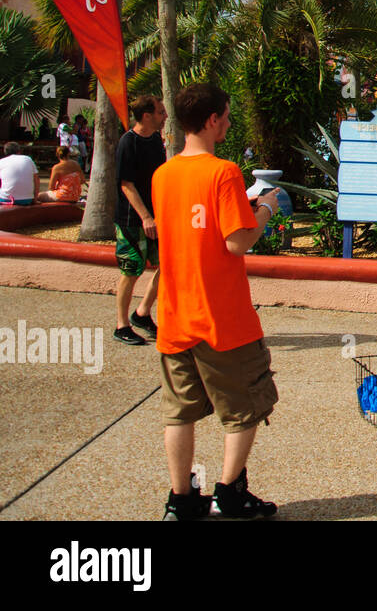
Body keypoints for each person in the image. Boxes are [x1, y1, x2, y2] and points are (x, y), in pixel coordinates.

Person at [152, 82, 282, 519]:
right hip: (222, 318)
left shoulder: (162, 175)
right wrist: (266, 208)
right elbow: (237, 242)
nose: (228, 121)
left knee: (180, 412)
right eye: (225, 115)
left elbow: (190, 229)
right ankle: (229, 491)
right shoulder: (224, 172)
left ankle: (181, 499)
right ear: (211, 120)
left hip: (174, 315)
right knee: (244, 406)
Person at [113, 94, 168, 346]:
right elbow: (126, 184)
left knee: (166, 267)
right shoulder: (128, 142)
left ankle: (142, 313)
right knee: (131, 270)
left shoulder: (156, 140)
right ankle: (121, 325)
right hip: (131, 219)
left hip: (156, 217)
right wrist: (145, 216)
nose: (164, 116)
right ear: (147, 115)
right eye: (160, 112)